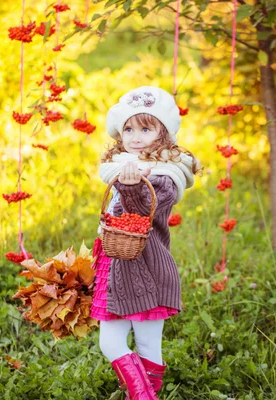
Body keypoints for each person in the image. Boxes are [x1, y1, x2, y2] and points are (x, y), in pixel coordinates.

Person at [91, 86, 202, 399]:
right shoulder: (123, 166)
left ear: (163, 134)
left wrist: (130, 187)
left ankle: (141, 395)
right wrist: (126, 180)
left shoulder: (166, 177)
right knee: (109, 343)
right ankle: (143, 395)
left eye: (145, 128)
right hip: (115, 269)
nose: (135, 136)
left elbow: (142, 211)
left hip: (148, 271)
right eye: (128, 128)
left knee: (148, 345)